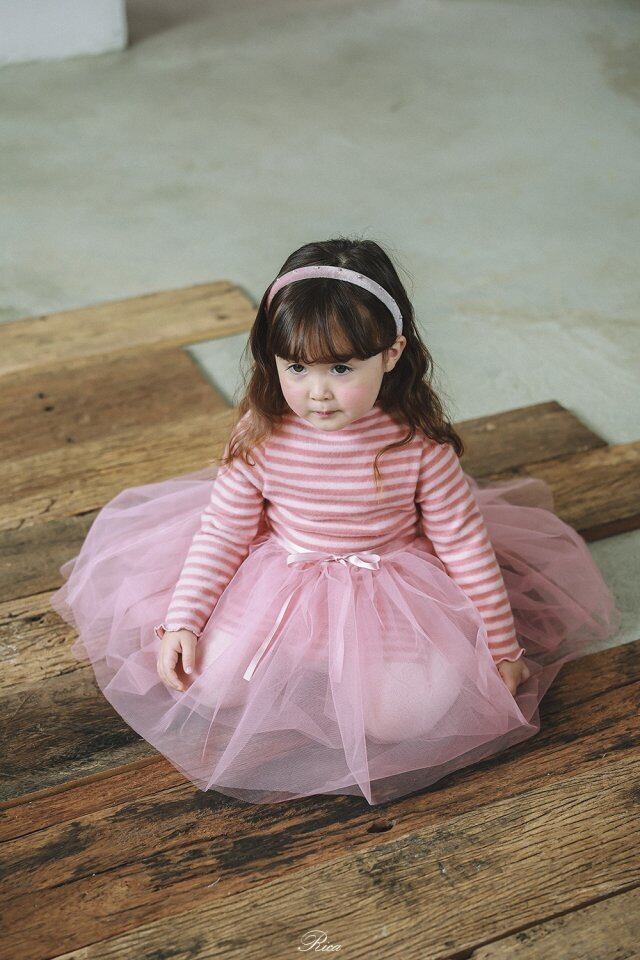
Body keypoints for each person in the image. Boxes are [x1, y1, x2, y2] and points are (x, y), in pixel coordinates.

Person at [50, 237, 622, 806]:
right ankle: (295, 650)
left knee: (403, 718)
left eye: (342, 368)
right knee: (211, 682)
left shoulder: (417, 446)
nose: (317, 393)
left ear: (391, 354)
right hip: (281, 574)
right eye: (296, 367)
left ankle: (359, 664)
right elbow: (223, 532)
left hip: (386, 585)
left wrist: (501, 647)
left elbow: (465, 545)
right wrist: (185, 620)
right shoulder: (262, 433)